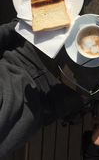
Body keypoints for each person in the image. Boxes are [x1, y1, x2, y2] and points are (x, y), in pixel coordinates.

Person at [0, 19, 84, 158]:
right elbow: (31, 125)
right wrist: (69, 103)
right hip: (61, 93)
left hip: (30, 47)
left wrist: (23, 24)